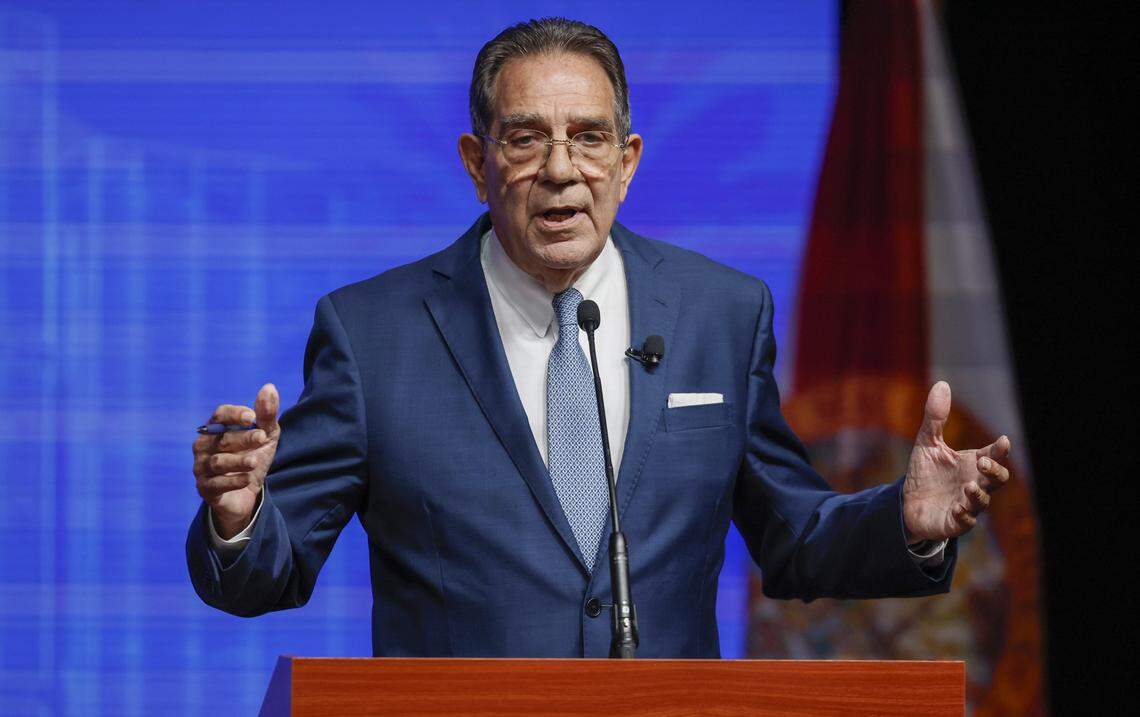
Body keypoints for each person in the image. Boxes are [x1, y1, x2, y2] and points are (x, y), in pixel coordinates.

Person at [186, 18, 1011, 658]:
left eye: (588, 137)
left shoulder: (722, 312)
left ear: (628, 160)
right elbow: (270, 569)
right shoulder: (371, 334)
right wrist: (238, 514)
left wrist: (906, 521)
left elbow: (793, 537)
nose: (559, 167)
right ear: (476, 162)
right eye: (525, 138)